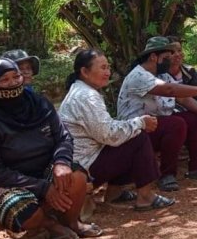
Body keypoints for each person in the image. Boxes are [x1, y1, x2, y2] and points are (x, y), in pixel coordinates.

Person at [0, 58, 101, 239]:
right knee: (19, 209)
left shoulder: (40, 104)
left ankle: (72, 222)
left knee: (76, 176)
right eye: (4, 80)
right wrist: (43, 187)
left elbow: (63, 137)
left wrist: (61, 162)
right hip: (4, 183)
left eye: (16, 77)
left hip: (43, 171)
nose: (13, 83)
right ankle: (50, 225)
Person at [59, 49, 176, 211]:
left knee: (129, 134)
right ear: (85, 72)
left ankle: (114, 193)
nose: (107, 72)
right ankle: (146, 197)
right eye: (102, 68)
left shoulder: (81, 92)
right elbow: (109, 135)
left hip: (84, 160)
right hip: (83, 167)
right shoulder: (86, 97)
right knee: (137, 138)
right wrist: (140, 122)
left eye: (108, 67)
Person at [117, 37, 197, 192]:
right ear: (153, 57)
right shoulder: (139, 76)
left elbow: (182, 97)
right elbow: (170, 90)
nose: (170, 61)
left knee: (194, 119)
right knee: (176, 124)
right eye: (166, 58)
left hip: (156, 125)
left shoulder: (162, 75)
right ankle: (166, 174)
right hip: (136, 130)